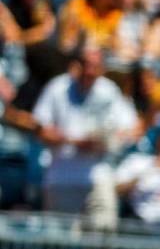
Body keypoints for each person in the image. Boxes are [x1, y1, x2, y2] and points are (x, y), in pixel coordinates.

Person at [33, 44, 141, 225]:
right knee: (60, 238)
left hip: (97, 175)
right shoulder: (57, 87)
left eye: (95, 66)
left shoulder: (109, 91)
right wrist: (73, 141)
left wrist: (107, 140)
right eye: (86, 65)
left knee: (104, 232)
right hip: (62, 177)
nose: (89, 71)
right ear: (77, 65)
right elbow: (40, 129)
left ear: (102, 68)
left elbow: (130, 128)